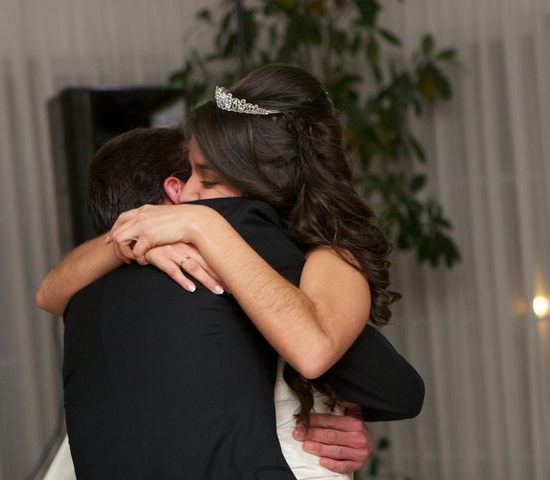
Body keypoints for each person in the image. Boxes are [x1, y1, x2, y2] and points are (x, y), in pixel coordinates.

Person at [38, 124, 423, 478]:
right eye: (207, 176)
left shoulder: (82, 296)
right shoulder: (236, 239)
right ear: (175, 191)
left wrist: (337, 407)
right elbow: (393, 389)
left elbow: (47, 293)